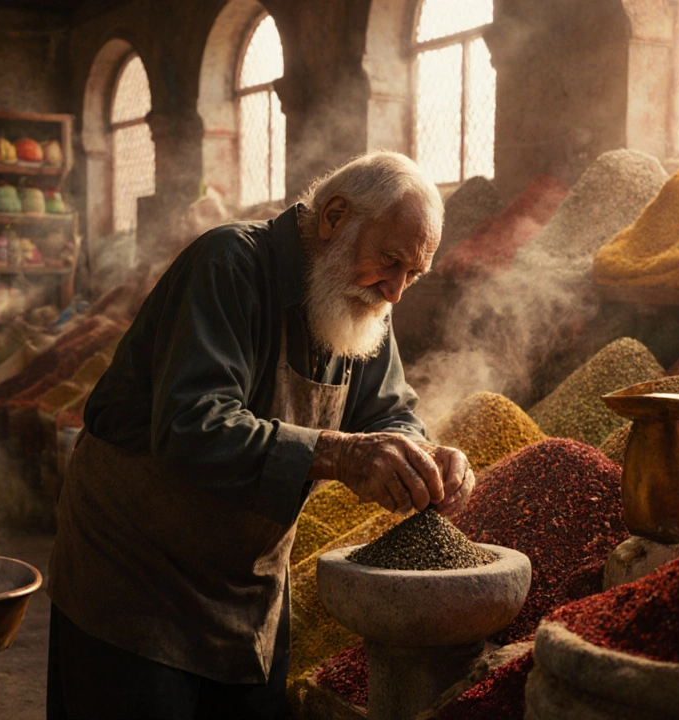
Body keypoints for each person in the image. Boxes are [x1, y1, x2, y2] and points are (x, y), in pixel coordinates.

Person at [47, 151, 476, 719]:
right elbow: (191, 427)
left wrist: (419, 456)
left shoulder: (365, 297)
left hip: (246, 586)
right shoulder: (228, 263)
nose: (396, 291)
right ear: (334, 216)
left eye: (413, 275)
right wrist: (338, 453)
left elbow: (388, 413)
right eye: (390, 261)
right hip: (136, 574)